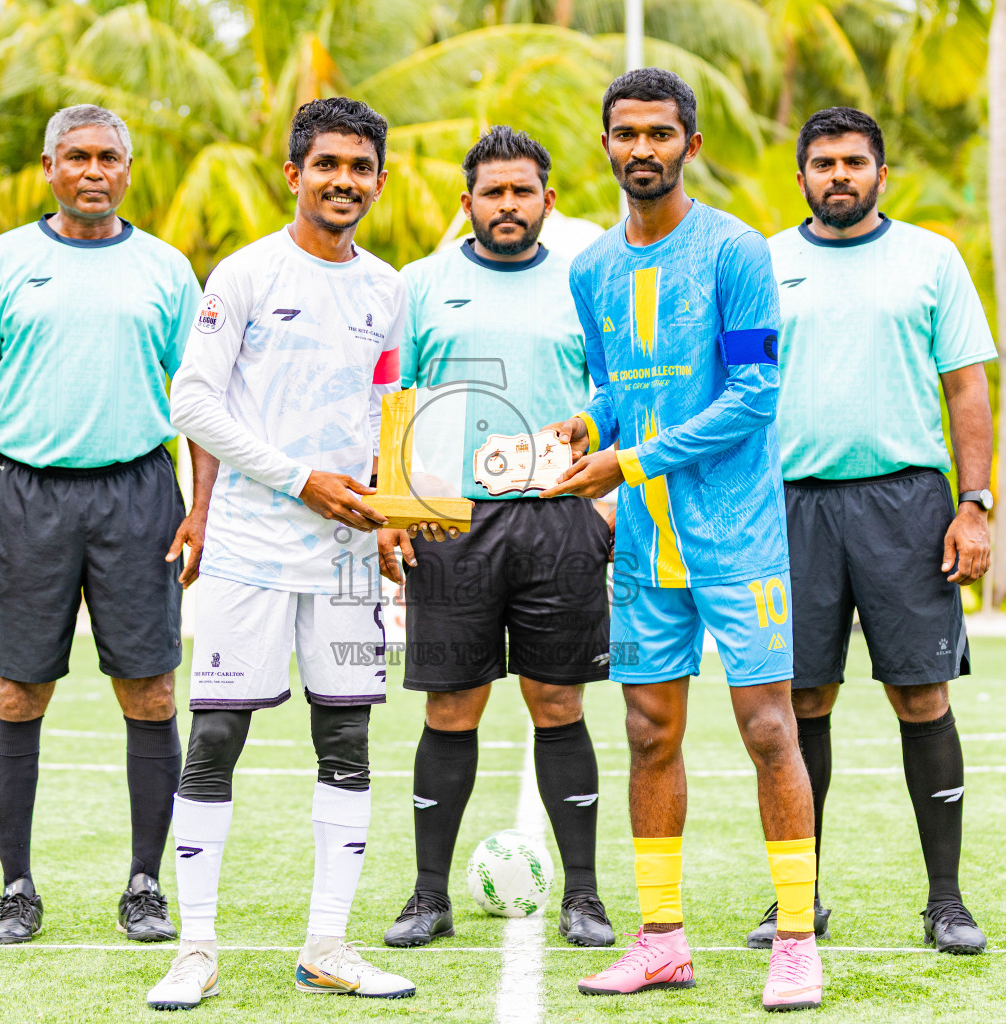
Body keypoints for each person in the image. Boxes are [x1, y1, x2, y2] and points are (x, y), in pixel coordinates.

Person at [542, 68, 823, 1012]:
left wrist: (630, 463)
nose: (642, 150)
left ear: (690, 145)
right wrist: (587, 426)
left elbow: (754, 401)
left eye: (660, 134)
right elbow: (615, 390)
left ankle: (794, 939)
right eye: (626, 134)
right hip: (643, 547)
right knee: (648, 730)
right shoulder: (590, 270)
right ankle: (661, 939)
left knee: (768, 727)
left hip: (737, 533)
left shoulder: (738, 253)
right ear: (609, 145)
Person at [143, 98, 422, 1011]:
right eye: (327, 164)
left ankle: (327, 947)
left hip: (344, 563)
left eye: (361, 167)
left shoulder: (389, 289)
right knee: (216, 737)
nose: (345, 180)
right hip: (250, 554)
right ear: (294, 174)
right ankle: (195, 949)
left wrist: (389, 511)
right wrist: (300, 479)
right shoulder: (248, 273)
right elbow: (193, 403)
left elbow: (393, 413)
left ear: (379, 179)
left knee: (346, 739)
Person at [0, 104, 214, 946]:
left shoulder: (165, 269)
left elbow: (198, 401)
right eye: (78, 157)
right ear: (49, 167)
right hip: (24, 499)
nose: (94, 170)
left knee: (153, 690)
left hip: (138, 496)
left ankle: (144, 886)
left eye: (109, 157)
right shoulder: (3, 262)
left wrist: (202, 506)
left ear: (129, 169)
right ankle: (16, 887)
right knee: (18, 692)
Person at [746, 106, 995, 956]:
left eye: (855, 162)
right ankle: (797, 898)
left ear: (882, 174)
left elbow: (965, 388)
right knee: (800, 699)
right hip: (792, 508)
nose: (839, 175)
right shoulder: (765, 263)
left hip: (908, 503)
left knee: (921, 696)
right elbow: (740, 390)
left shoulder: (932, 259)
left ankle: (947, 903)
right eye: (824, 163)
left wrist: (977, 502)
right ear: (804, 175)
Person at [376, 126, 615, 951]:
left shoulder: (588, 285)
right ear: (468, 203)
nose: (507, 205)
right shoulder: (421, 284)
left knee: (559, 703)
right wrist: (395, 514)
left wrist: (603, 506)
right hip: (451, 522)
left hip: (559, 518)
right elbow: (396, 401)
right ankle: (426, 897)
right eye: (492, 192)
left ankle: (583, 897)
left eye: (523, 191)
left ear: (549, 201)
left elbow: (615, 397)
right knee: (451, 707)